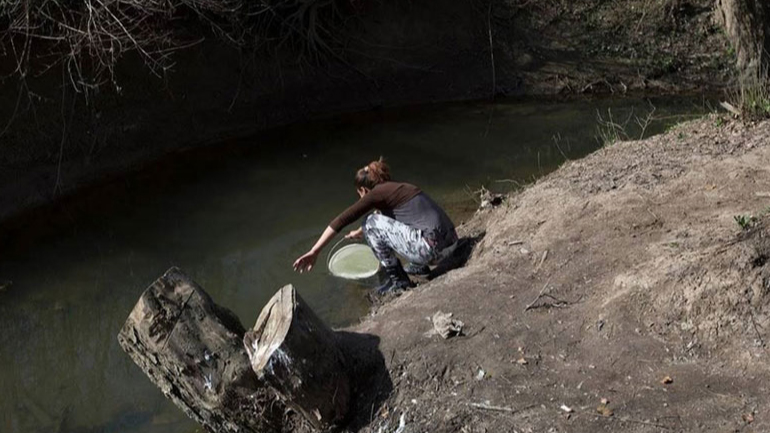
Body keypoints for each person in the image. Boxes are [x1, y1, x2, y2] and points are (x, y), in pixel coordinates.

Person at [293, 158, 458, 294]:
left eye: (359, 194)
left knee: (369, 222)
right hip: (451, 244)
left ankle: (399, 281)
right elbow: (391, 217)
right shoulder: (399, 188)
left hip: (433, 252)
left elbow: (341, 220)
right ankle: (419, 267)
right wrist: (359, 232)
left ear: (364, 190)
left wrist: (315, 251)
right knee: (376, 223)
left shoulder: (375, 194)